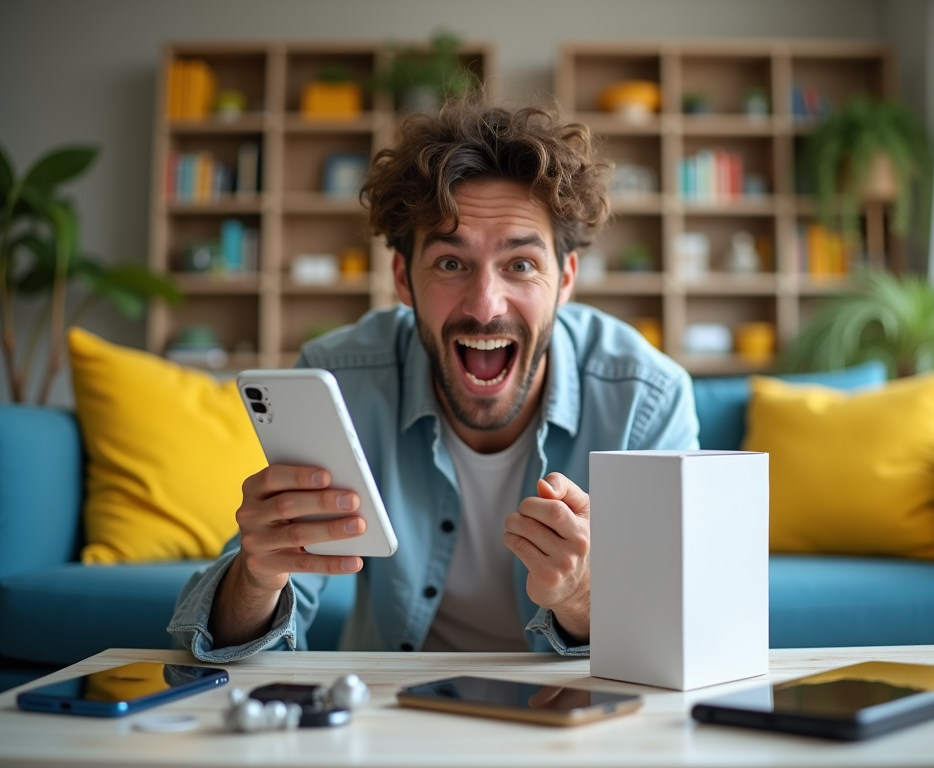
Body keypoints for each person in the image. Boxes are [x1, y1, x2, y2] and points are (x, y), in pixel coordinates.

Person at [168, 99, 699, 662]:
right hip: (393, 722)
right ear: (403, 278)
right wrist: (256, 578)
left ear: (564, 279)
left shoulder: (648, 397)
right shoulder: (341, 382)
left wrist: (582, 596)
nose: (485, 305)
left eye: (520, 264)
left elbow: (679, 634)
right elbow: (215, 643)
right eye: (450, 263)